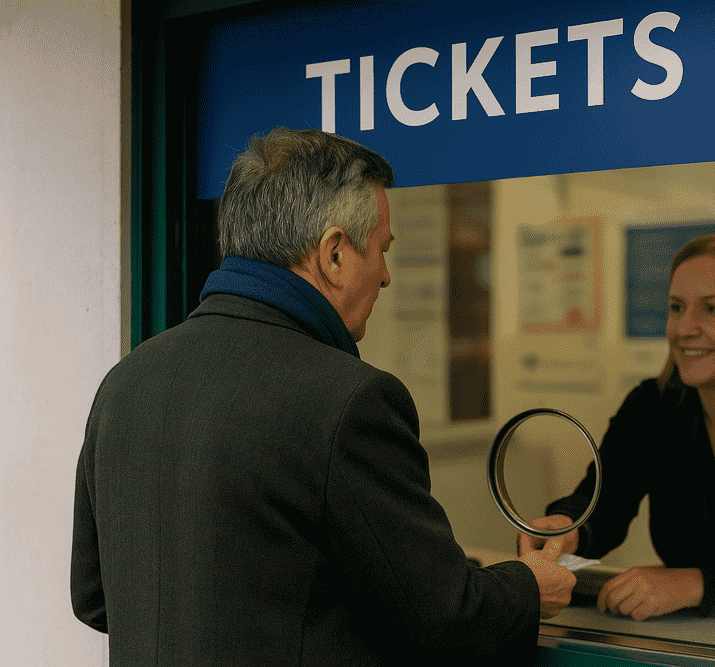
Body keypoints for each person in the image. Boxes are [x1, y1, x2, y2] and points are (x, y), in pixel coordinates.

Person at [71, 127, 576, 665]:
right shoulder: (349, 400)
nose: (384, 276)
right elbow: (442, 618)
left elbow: (95, 598)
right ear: (334, 254)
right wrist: (529, 585)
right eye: (381, 251)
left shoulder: (126, 382)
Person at [518, 230, 715, 620]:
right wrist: (568, 526)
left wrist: (693, 584)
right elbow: (603, 504)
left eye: (712, 309)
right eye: (676, 307)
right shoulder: (653, 407)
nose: (684, 329)